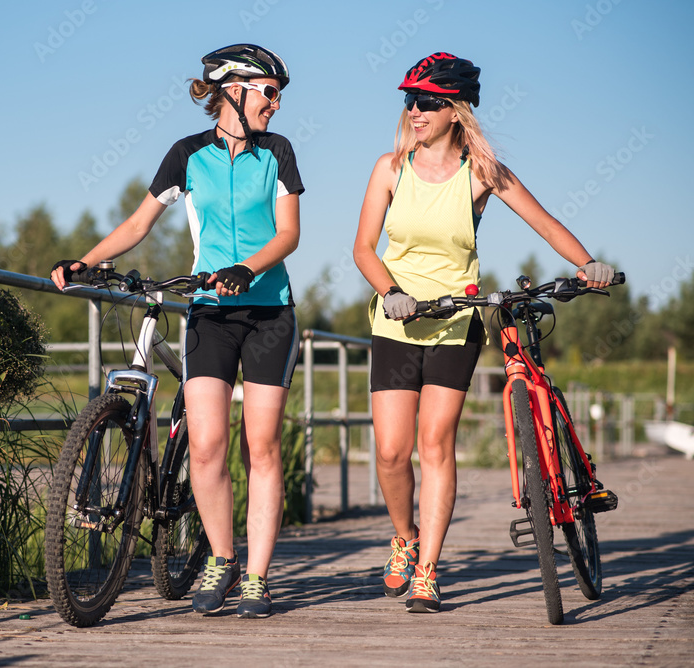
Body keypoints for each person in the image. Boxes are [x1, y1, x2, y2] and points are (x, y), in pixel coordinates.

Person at [351, 52, 615, 613]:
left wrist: (588, 263)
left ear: (455, 110)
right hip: (396, 323)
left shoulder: (481, 171)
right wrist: (391, 292)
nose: (414, 112)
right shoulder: (389, 168)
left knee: (434, 444)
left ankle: (427, 571)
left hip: (455, 323)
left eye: (427, 102)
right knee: (393, 452)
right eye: (409, 101)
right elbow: (363, 249)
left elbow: (543, 222)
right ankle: (404, 536)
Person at [52, 43, 304, 619]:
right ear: (233, 92)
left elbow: (288, 234)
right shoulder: (187, 156)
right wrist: (85, 263)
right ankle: (222, 559)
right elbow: (140, 223)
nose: (276, 104)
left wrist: (249, 268)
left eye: (279, 95)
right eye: (269, 92)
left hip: (269, 312)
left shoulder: (279, 153)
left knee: (261, 447)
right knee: (209, 446)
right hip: (210, 313)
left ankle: (258, 579)